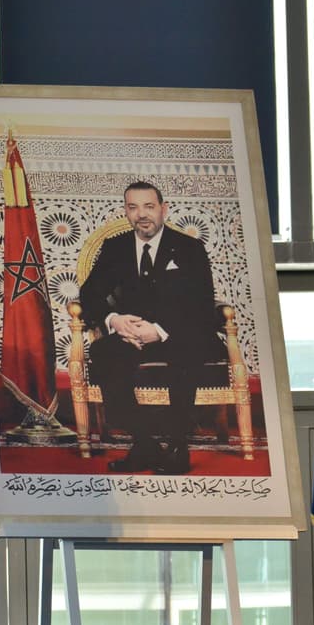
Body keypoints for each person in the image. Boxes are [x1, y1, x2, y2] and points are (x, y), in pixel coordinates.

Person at [79, 181, 221, 474]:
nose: (141, 214)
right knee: (104, 352)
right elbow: (89, 295)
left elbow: (203, 304)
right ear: (126, 212)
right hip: (130, 334)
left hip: (178, 332)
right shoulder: (115, 247)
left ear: (163, 209)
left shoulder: (189, 248)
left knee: (186, 351)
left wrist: (159, 330)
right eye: (133, 207)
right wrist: (115, 321)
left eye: (149, 206)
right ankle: (144, 444)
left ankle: (178, 446)